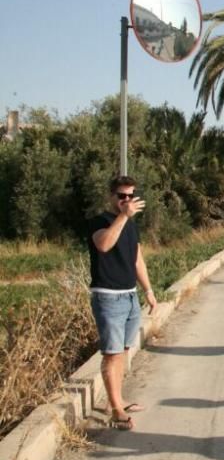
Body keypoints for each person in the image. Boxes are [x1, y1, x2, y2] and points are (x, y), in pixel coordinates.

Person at [87, 175, 158, 431]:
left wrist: (148, 290)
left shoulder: (130, 225)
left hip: (129, 296)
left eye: (131, 196)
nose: (126, 201)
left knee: (124, 352)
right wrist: (123, 216)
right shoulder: (100, 222)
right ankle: (116, 410)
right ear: (111, 196)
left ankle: (115, 401)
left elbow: (137, 259)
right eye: (121, 196)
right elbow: (104, 245)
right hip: (108, 297)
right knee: (112, 354)